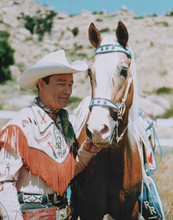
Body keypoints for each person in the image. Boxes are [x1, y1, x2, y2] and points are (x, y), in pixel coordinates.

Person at [0, 50, 101, 219]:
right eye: (61, 84)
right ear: (41, 84)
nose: (68, 91)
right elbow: (4, 183)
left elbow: (62, 174)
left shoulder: (63, 125)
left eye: (70, 84)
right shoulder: (19, 127)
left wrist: (86, 153)